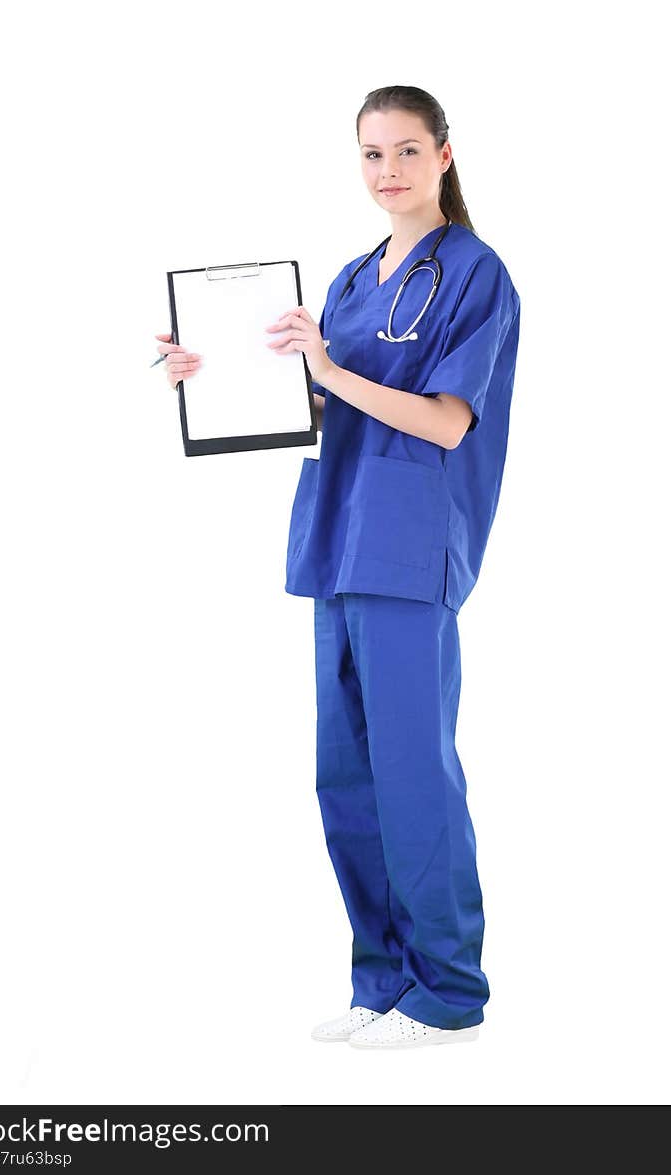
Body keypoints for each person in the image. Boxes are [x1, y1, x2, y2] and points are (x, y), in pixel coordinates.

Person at [156, 85, 520, 1051]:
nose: (388, 171)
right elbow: (322, 407)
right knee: (347, 777)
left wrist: (331, 372)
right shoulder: (356, 279)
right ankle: (384, 978)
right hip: (340, 539)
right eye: (370, 154)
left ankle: (447, 990)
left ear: (444, 155)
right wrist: (218, 373)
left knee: (414, 773)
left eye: (406, 150)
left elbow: (445, 418)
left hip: (410, 545)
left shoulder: (475, 274)